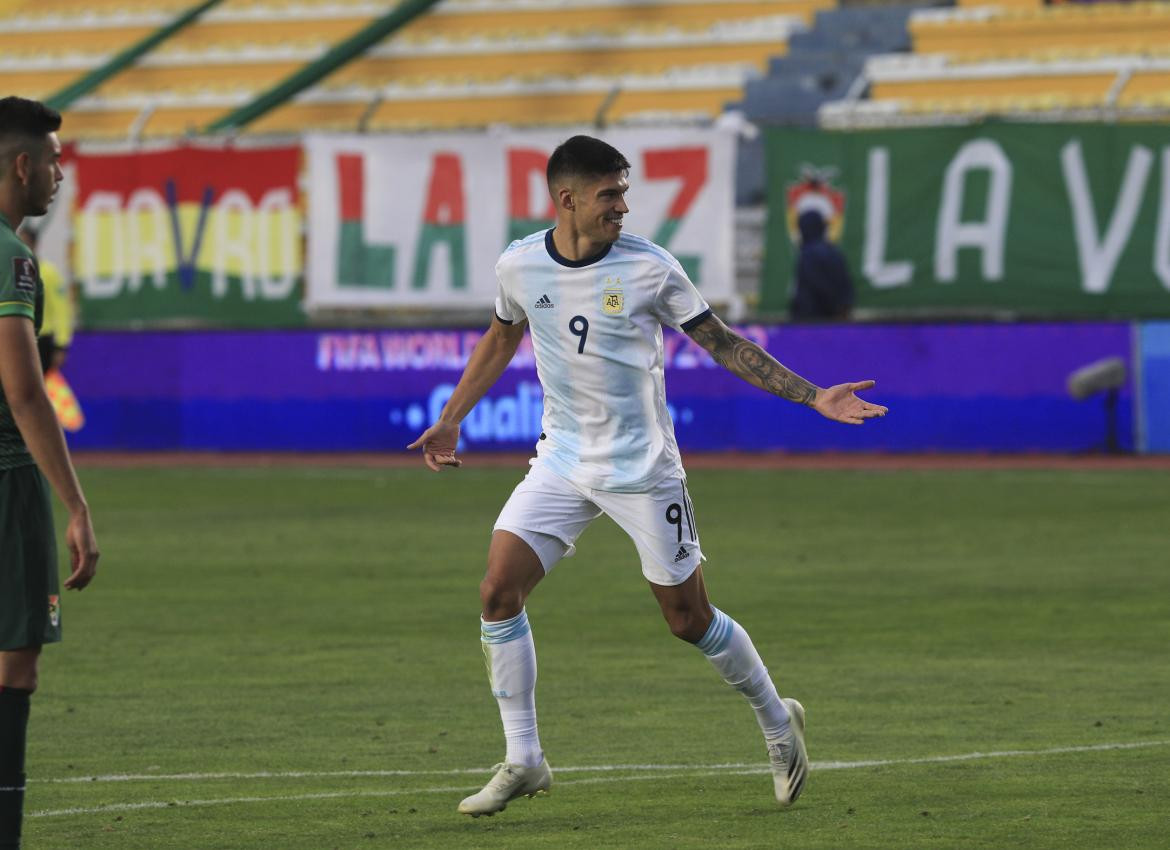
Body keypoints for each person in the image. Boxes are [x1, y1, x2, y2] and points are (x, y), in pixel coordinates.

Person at [409, 135, 885, 818]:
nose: (623, 206)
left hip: (642, 467)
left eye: (625, 191)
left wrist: (814, 396)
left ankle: (780, 723)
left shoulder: (651, 269)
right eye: (610, 194)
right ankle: (525, 759)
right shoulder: (518, 266)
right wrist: (452, 416)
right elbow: (501, 336)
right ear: (566, 198)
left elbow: (724, 343)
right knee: (497, 591)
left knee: (688, 619)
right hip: (563, 460)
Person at [0, 96, 100, 850]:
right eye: (55, 162)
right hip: (6, 482)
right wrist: (76, 505)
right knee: (16, 664)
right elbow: (27, 391)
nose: (61, 176)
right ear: (24, 166)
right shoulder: (12, 259)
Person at [16, 225, 73, 376]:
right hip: (17, 337)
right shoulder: (11, 270)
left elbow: (62, 310)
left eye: (25, 242)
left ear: (34, 244)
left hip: (42, 339)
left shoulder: (48, 272)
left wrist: (61, 344)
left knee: (38, 385)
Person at [789, 208, 854, 322]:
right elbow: (846, 286)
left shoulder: (808, 254)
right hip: (834, 318)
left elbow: (816, 286)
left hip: (812, 319)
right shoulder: (834, 251)